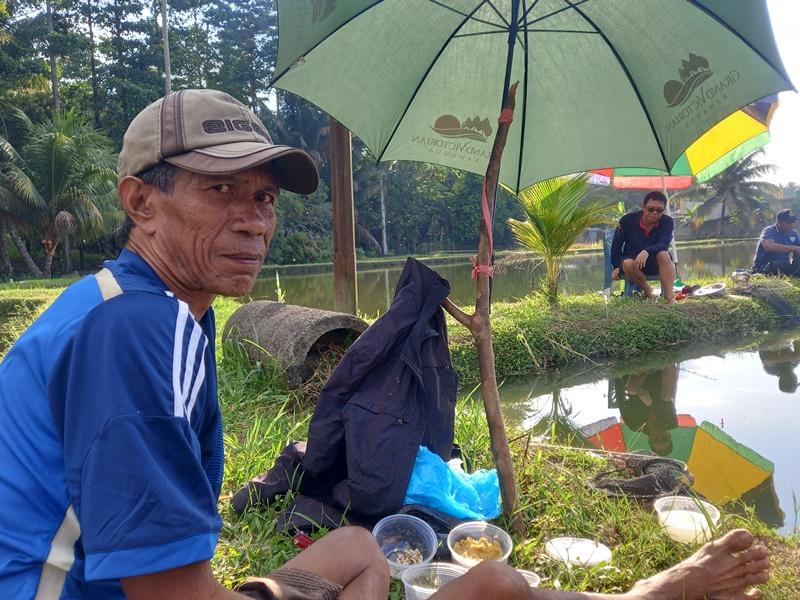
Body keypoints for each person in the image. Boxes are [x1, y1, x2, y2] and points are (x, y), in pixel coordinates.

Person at [0, 90, 770, 600]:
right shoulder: (138, 330)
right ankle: (644, 596)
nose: (254, 220)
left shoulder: (142, 306)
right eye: (219, 190)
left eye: (263, 196)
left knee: (361, 549)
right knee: (491, 588)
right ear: (141, 200)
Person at [610, 191, 676, 304]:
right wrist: (616, 266)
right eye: (651, 209)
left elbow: (664, 244)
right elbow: (616, 245)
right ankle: (648, 291)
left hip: (654, 261)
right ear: (643, 207)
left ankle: (670, 298)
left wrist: (646, 251)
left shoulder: (667, 221)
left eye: (659, 210)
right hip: (631, 262)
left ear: (663, 211)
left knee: (664, 255)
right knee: (627, 263)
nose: (655, 213)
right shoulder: (627, 220)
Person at [616, 364, 679, 457]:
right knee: (668, 396)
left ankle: (648, 368)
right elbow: (667, 404)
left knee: (632, 390)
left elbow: (622, 403)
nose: (660, 436)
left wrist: (617, 377)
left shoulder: (635, 425)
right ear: (669, 436)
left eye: (657, 440)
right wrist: (651, 404)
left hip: (637, 384)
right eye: (664, 438)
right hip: (658, 384)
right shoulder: (671, 423)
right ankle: (670, 363)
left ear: (649, 440)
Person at [752, 209, 800, 276]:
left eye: (793, 222)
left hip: (785, 265)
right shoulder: (769, 231)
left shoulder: (793, 233)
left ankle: (794, 273)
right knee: (780, 265)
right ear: (779, 222)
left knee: (786, 265)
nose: (792, 225)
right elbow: (769, 246)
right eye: (788, 223)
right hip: (765, 266)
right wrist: (794, 248)